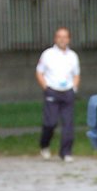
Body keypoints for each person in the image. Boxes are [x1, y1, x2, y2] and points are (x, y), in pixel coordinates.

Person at [36, 27, 80, 161]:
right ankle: (45, 144)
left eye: (65, 37)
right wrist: (46, 87)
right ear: (55, 38)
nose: (62, 39)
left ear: (69, 39)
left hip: (67, 91)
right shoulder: (48, 54)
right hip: (52, 90)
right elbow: (39, 72)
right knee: (50, 122)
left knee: (68, 124)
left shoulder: (73, 55)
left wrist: (74, 88)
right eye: (59, 36)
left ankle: (66, 152)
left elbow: (76, 74)